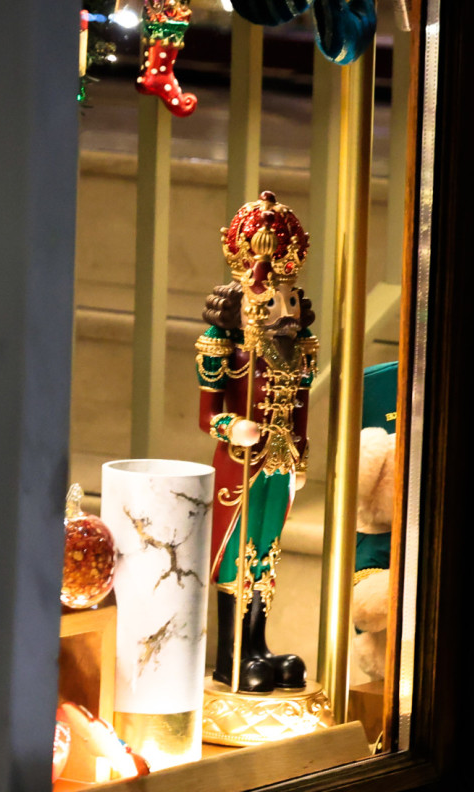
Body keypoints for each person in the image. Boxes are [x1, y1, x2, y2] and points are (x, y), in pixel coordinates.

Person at [196, 191, 317, 693]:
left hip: (282, 461)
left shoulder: (295, 351)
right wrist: (232, 429)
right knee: (234, 555)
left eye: (288, 301)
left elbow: (303, 407)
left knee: (267, 553)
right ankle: (231, 657)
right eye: (271, 302)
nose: (283, 311)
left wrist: (302, 451)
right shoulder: (223, 344)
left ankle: (259, 643)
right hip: (241, 462)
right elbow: (209, 415)